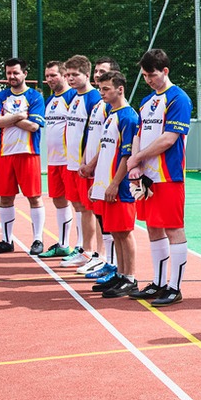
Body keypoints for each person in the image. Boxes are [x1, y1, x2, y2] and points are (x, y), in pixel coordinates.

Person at [126, 49, 193, 307]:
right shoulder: (145, 101)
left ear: (165, 71)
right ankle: (158, 282)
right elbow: (139, 133)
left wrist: (137, 157)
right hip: (147, 176)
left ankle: (174, 287)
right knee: (153, 227)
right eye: (144, 75)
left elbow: (169, 138)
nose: (148, 80)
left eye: (152, 75)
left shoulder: (179, 99)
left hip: (168, 175)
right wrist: (135, 164)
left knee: (173, 228)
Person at [0, 58, 46, 255]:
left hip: (28, 153)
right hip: (5, 154)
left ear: (24, 74)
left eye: (15, 73)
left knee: (34, 197)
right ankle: (6, 240)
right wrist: (19, 116)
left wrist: (8, 119)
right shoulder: (1, 97)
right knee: (5, 198)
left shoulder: (35, 97)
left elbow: (34, 126)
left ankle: (38, 240)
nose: (11, 76)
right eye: (9, 73)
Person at [87, 70, 140, 298]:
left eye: (106, 89)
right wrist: (98, 182)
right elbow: (106, 150)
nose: (102, 93)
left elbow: (127, 156)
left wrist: (115, 183)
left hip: (121, 186)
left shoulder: (128, 117)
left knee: (125, 232)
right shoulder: (111, 114)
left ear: (120, 89)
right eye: (100, 89)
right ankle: (120, 273)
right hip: (107, 183)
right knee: (116, 232)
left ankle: (130, 278)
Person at [60, 55, 105, 270]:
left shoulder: (94, 98)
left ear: (87, 75)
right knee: (79, 206)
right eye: (67, 74)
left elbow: (97, 133)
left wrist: (91, 162)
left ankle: (94, 252)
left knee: (91, 209)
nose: (70, 78)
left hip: (86, 165)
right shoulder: (74, 97)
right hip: (72, 164)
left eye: (75, 75)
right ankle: (83, 247)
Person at [78, 58, 118, 278]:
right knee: (99, 214)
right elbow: (92, 137)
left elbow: (108, 142)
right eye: (96, 71)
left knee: (107, 218)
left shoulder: (114, 109)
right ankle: (103, 258)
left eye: (103, 72)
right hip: (94, 168)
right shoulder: (98, 106)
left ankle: (107, 259)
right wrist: (85, 160)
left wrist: (93, 164)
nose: (97, 75)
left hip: (104, 170)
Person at [38, 61, 80, 261]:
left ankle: (81, 246)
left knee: (78, 203)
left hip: (70, 161)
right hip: (54, 161)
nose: (49, 79)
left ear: (64, 76)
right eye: (47, 76)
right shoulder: (49, 100)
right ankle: (63, 244)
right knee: (58, 201)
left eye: (53, 75)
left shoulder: (73, 96)